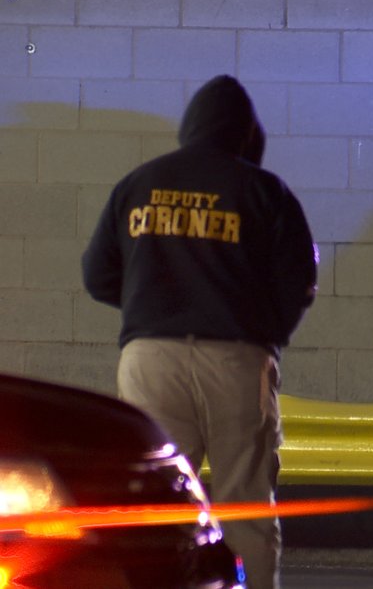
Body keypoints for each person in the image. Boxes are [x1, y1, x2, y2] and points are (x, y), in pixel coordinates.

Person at [81, 75, 318, 589]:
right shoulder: (263, 191)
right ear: (247, 134)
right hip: (235, 360)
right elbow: (299, 282)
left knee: (158, 504)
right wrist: (260, 331)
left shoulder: (139, 184)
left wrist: (157, 308)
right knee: (245, 503)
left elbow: (97, 275)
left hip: (150, 360)